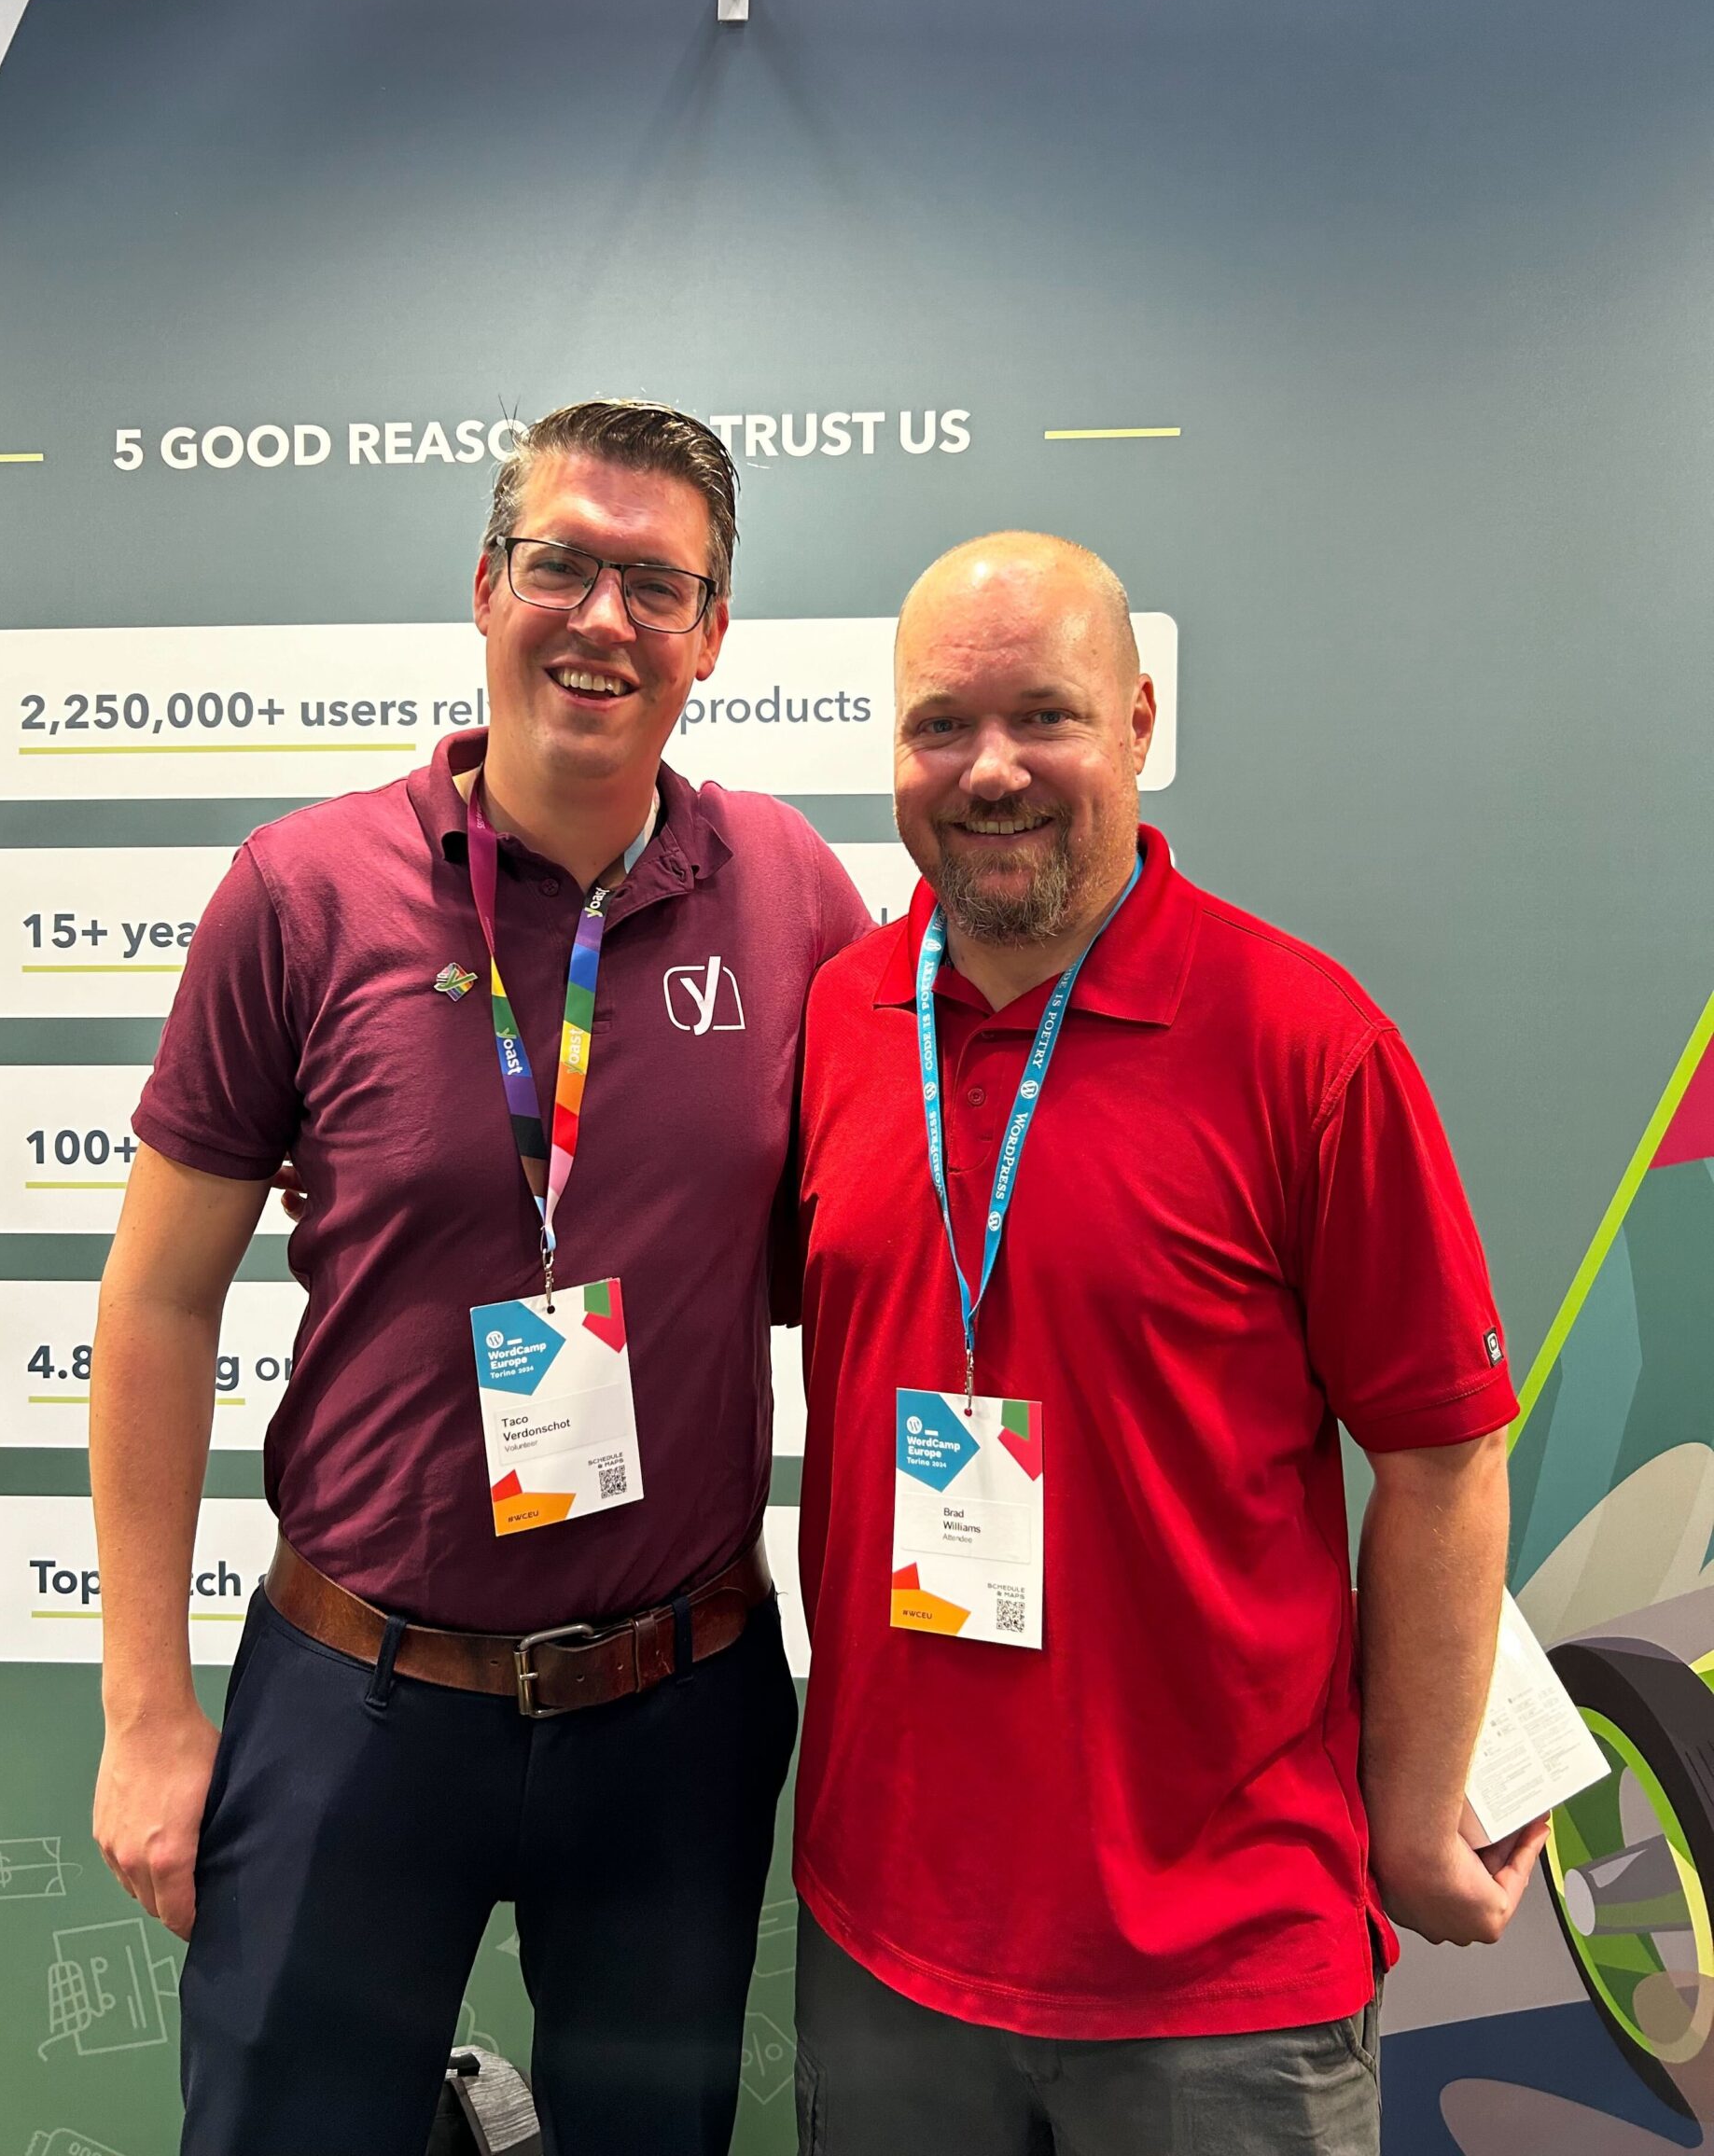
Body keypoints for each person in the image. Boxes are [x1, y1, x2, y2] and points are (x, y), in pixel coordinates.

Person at [89, 398, 869, 2156]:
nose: (604, 619)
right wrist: (144, 1712)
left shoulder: (793, 898)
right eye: (562, 565)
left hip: (675, 1707)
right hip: (356, 1694)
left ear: (712, 636)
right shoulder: (303, 896)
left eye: (657, 586)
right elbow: (155, 1304)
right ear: (485, 586)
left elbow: (877, 1257)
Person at [788, 533, 1544, 2155]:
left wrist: (1414, 1814)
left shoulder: (1306, 1044)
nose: (991, 769)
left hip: (1223, 1982)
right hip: (886, 1946)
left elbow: (1445, 1453)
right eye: (940, 726)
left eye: (1044, 716)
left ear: (1138, 720)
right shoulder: (838, 1019)